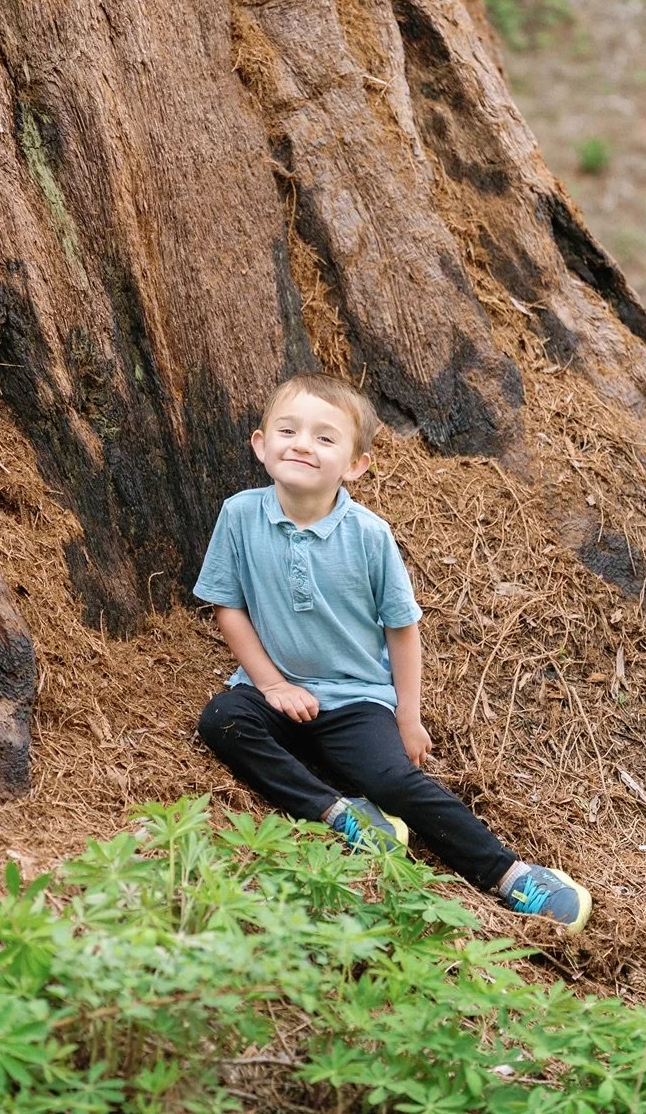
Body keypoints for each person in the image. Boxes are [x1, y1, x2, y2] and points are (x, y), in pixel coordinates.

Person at [194, 372, 592, 932]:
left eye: (325, 438)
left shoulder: (368, 534)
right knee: (223, 720)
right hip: (275, 692)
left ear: (355, 464)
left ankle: (510, 875)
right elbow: (228, 607)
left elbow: (402, 627)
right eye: (287, 430)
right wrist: (271, 684)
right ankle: (339, 813)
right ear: (261, 445)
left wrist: (407, 714)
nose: (302, 444)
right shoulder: (240, 515)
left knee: (395, 781)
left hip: (356, 700)